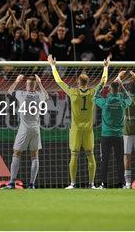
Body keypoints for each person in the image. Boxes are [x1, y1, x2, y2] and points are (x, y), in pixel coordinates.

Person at [48, 54, 109, 189]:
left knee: (74, 155)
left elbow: (59, 81)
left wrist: (53, 66)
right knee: (90, 156)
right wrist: (106, 67)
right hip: (88, 129)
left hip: (76, 128)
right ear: (87, 82)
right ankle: (92, 184)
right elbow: (103, 82)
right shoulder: (93, 92)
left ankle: (72, 183)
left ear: (78, 82)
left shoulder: (73, 92)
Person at [2, 74, 49, 189]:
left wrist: (17, 80)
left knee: (16, 153)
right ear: (35, 86)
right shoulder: (39, 95)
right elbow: (47, 96)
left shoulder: (21, 94)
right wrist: (40, 83)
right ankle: (31, 184)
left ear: (26, 85)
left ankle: (12, 183)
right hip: (35, 129)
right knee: (34, 156)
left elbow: (9, 91)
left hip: (24, 129)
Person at [94, 71, 132, 188]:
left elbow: (95, 97)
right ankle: (122, 183)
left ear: (110, 90)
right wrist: (122, 87)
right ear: (119, 89)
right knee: (120, 160)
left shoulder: (105, 102)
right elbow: (129, 99)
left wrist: (101, 85)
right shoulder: (122, 102)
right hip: (119, 136)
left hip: (106, 136)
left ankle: (103, 184)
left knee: (104, 161)